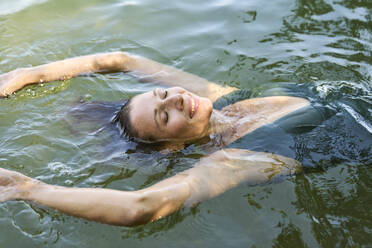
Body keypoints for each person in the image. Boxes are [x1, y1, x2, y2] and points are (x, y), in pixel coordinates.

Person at [0, 52, 309, 226]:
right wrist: (29, 189)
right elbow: (141, 206)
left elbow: (122, 60)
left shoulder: (220, 98)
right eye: (164, 116)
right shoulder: (233, 160)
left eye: (161, 93)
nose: (174, 99)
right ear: (172, 147)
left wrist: (28, 73)